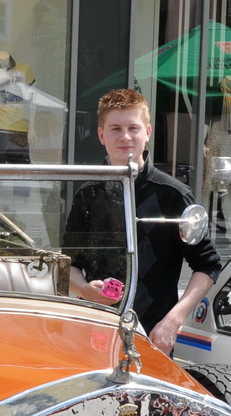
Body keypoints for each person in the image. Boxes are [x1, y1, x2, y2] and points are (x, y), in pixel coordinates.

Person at [64, 89, 222, 355]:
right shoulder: (87, 194)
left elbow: (208, 265)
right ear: (102, 135)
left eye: (133, 128)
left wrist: (172, 322)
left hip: (152, 337)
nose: (125, 137)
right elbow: (69, 263)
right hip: (95, 330)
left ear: (147, 132)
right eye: (115, 129)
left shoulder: (172, 194)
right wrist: (84, 289)